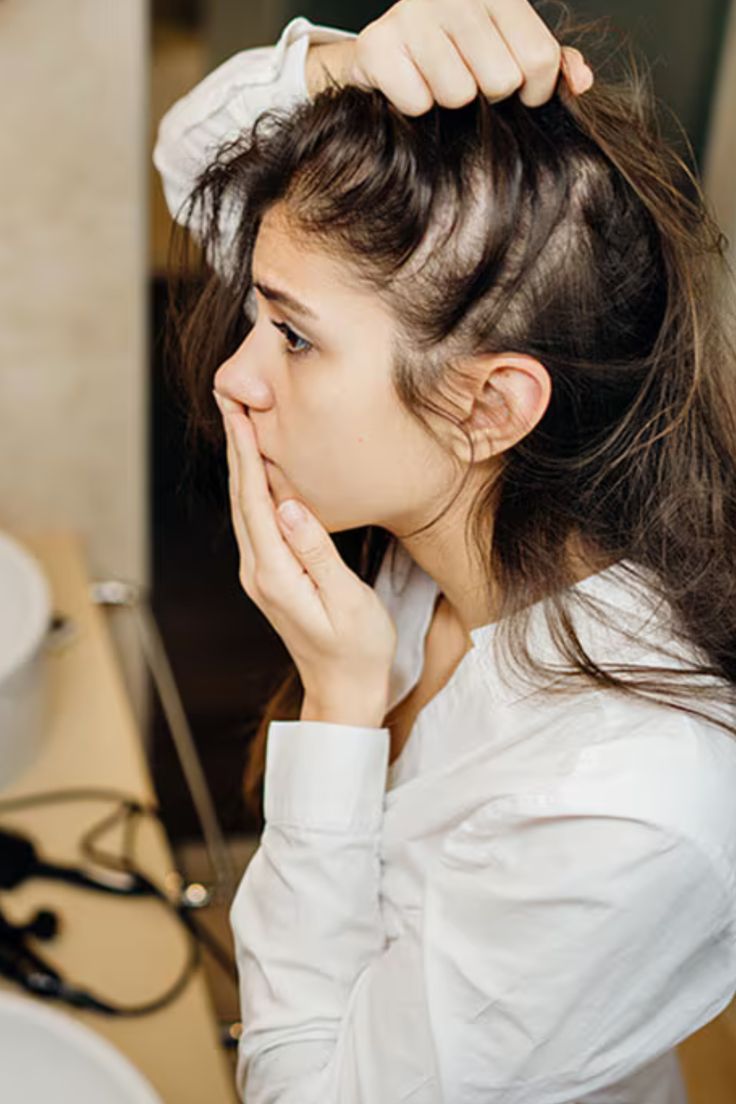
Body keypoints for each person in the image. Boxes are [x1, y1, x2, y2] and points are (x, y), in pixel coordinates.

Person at [153, 1, 736, 1101]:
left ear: (489, 407)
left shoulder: (616, 812)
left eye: (292, 335)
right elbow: (193, 155)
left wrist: (339, 707)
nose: (237, 375)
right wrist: (354, 66)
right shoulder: (489, 516)